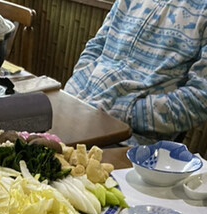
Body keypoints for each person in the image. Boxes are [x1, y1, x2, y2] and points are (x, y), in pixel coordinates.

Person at [63, 0, 207, 145]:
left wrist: (127, 112)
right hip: (72, 105)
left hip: (125, 137)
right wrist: (76, 85)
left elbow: (200, 98)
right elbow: (97, 44)